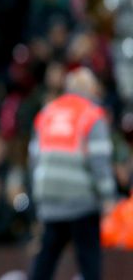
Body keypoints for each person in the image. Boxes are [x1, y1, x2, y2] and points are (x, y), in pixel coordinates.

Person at [28, 67, 116, 280]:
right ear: (89, 88)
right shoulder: (91, 114)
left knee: (46, 260)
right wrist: (108, 197)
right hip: (81, 200)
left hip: (50, 198)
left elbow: (33, 158)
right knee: (89, 260)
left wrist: (37, 195)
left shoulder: (48, 112)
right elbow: (99, 160)